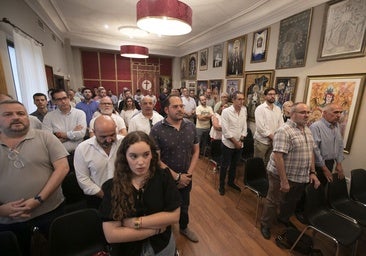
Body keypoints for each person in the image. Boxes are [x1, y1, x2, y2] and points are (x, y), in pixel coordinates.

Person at [0, 100, 69, 255]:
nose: (16, 117)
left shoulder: (45, 137)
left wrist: (38, 199)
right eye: (8, 114)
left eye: (20, 113)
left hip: (50, 211)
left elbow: (62, 168)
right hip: (8, 221)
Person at [99, 131, 180, 256]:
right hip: (128, 250)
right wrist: (156, 229)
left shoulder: (163, 177)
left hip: (162, 247)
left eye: (146, 155)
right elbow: (112, 235)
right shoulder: (112, 186)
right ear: (125, 157)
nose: (141, 162)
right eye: (134, 156)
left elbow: (174, 216)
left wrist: (136, 222)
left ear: (152, 155)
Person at [260, 102, 320, 240]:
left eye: (308, 112)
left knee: (292, 200)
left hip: (300, 176)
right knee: (273, 200)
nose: (306, 115)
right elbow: (278, 156)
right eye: (303, 112)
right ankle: (266, 224)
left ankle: (283, 218)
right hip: (280, 175)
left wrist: (312, 172)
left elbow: (310, 151)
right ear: (292, 114)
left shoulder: (307, 129)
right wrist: (284, 180)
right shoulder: (284, 130)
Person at [150, 95, 200, 243]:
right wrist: (177, 177)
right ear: (166, 109)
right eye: (175, 106)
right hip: (164, 178)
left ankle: (184, 227)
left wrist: (188, 175)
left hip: (186, 177)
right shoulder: (157, 130)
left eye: (181, 106)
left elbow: (196, 151)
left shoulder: (190, 126)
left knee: (184, 206)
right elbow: (156, 159)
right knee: (164, 207)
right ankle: (164, 233)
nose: (180, 109)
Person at [74, 115, 123, 209]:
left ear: (116, 129)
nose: (109, 140)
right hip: (97, 198)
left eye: (112, 135)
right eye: (103, 137)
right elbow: (83, 179)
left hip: (125, 194)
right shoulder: (82, 149)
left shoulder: (124, 142)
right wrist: (105, 196)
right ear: (94, 132)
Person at [43, 89, 87, 171]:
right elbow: (48, 140)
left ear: (69, 98)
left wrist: (60, 135)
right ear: (54, 101)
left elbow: (81, 134)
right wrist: (73, 132)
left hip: (78, 154)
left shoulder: (80, 113)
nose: (63, 101)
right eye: (59, 99)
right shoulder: (49, 117)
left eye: (65, 98)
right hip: (59, 157)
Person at [219, 91, 247, 195]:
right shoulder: (226, 111)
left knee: (234, 165)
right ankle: (221, 185)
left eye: (243, 99)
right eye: (239, 99)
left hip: (239, 144)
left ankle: (231, 182)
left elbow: (244, 127)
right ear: (233, 100)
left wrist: (241, 140)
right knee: (224, 165)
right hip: (228, 144)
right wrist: (235, 142)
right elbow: (225, 131)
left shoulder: (244, 110)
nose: (242, 101)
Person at [310, 103, 345, 185]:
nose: (339, 115)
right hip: (317, 165)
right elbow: (315, 150)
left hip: (330, 163)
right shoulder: (316, 127)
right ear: (324, 113)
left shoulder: (336, 126)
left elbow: (340, 145)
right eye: (335, 112)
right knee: (314, 190)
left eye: (340, 112)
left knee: (324, 188)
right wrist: (324, 169)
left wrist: (339, 163)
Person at [254, 88, 284, 167]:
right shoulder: (260, 109)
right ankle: (256, 179)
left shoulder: (277, 109)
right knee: (258, 163)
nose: (272, 96)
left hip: (273, 141)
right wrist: (273, 137)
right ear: (265, 96)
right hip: (261, 141)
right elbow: (261, 128)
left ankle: (266, 179)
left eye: (274, 94)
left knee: (269, 163)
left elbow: (281, 124)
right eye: (270, 94)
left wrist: (277, 137)